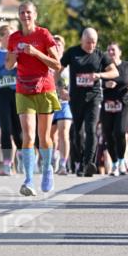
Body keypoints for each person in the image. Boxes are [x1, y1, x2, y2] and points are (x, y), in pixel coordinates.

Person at [5, 1, 61, 196]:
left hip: (45, 89)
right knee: (28, 136)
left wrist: (36, 53)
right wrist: (14, 55)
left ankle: (47, 169)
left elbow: (57, 64)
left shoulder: (43, 34)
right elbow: (9, 65)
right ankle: (28, 180)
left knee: (43, 137)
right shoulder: (14, 38)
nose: (25, 15)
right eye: (22, 12)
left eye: (28, 12)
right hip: (23, 89)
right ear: (18, 15)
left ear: (35, 15)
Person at [59, 28, 118, 177]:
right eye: (88, 42)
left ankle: (89, 163)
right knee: (77, 133)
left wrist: (100, 75)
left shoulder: (100, 55)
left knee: (91, 129)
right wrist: (60, 89)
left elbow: (114, 72)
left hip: (94, 97)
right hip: (75, 98)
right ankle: (79, 162)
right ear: (81, 40)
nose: (91, 45)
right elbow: (57, 70)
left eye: (94, 42)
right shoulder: (72, 53)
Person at [0, 25, 22, 176]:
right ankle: (7, 163)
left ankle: (21, 156)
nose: (10, 38)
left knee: (17, 129)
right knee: (5, 128)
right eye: (8, 35)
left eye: (12, 35)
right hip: (2, 92)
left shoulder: (18, 51)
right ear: (0, 37)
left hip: (17, 92)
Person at [101, 43, 128, 176]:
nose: (110, 52)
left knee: (119, 131)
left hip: (123, 104)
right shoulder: (104, 66)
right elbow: (96, 82)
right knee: (108, 134)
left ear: (119, 52)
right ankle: (115, 163)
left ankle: (121, 161)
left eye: (113, 50)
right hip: (107, 105)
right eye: (108, 50)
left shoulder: (127, 65)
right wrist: (106, 84)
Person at [51, 35, 72, 175]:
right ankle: (54, 157)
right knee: (50, 136)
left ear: (63, 48)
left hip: (65, 103)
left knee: (63, 132)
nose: (57, 46)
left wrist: (70, 94)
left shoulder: (69, 66)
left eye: (59, 44)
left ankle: (63, 164)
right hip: (49, 104)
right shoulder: (47, 63)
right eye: (54, 44)